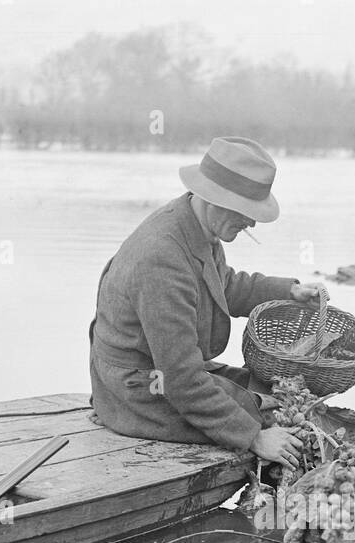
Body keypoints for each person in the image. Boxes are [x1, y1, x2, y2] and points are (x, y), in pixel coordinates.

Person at [88, 136, 328, 469]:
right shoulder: (162, 258)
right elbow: (182, 379)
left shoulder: (198, 226)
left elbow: (224, 285)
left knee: (268, 389)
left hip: (165, 370)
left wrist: (288, 292)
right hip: (138, 388)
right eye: (246, 211)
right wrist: (254, 437)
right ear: (214, 199)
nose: (252, 223)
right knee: (264, 416)